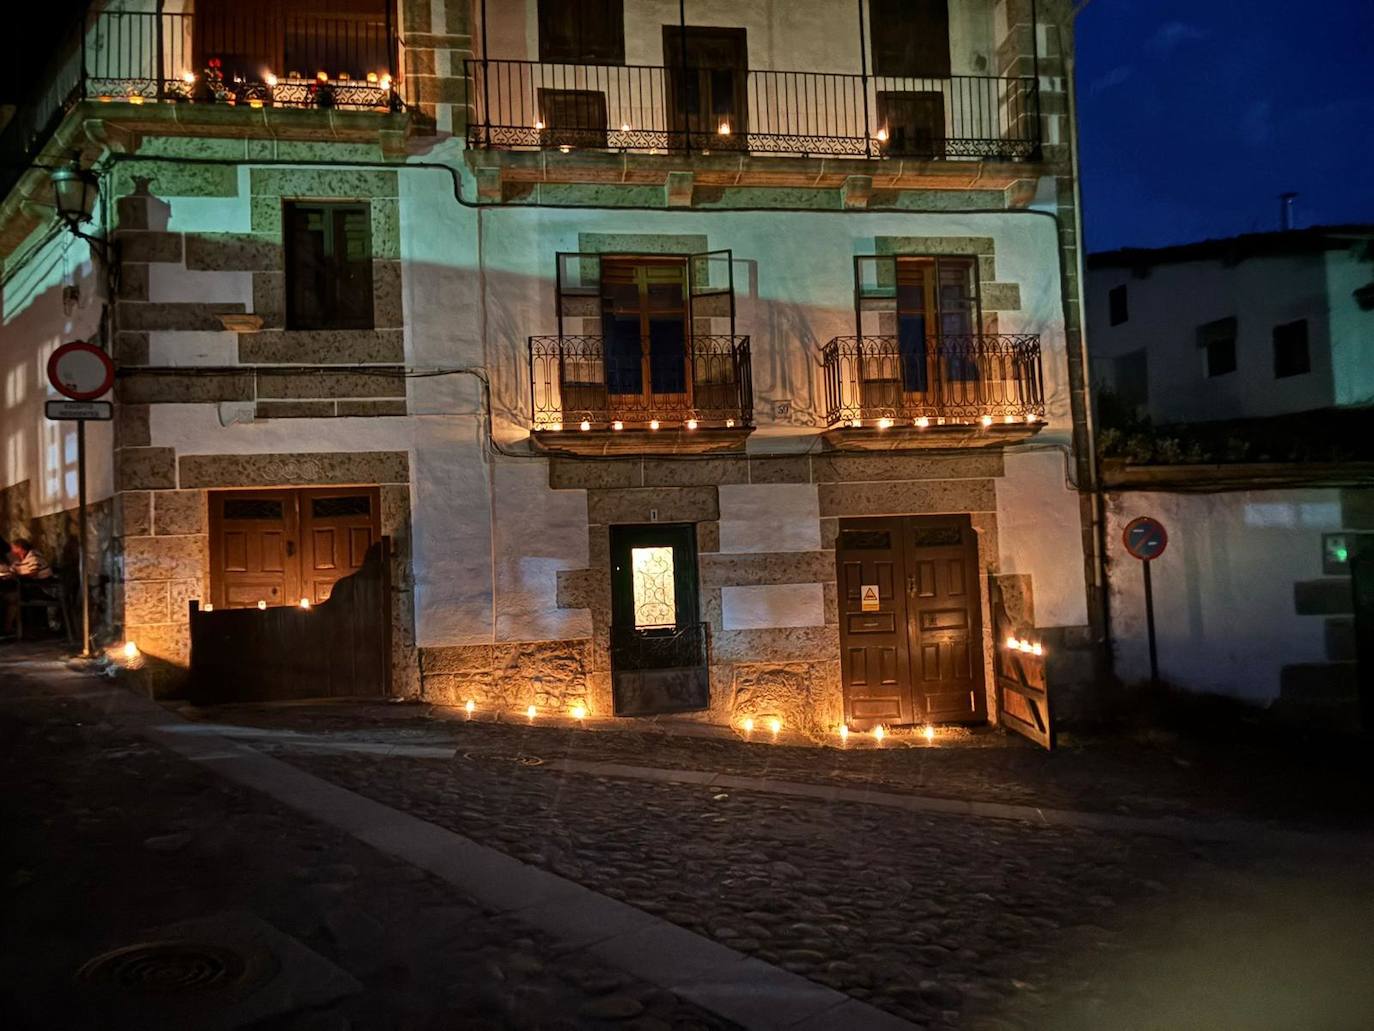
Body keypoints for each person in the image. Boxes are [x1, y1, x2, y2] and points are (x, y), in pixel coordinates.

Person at [0, 538, 53, 637]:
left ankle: (8, 628)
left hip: (40, 589)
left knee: (11, 597)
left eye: (13, 548)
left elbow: (33, 573)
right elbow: (15, 568)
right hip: (30, 587)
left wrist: (15, 575)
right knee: (9, 596)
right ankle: (8, 628)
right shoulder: (22, 559)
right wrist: (10, 572)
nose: (11, 551)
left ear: (20, 548)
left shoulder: (33, 556)